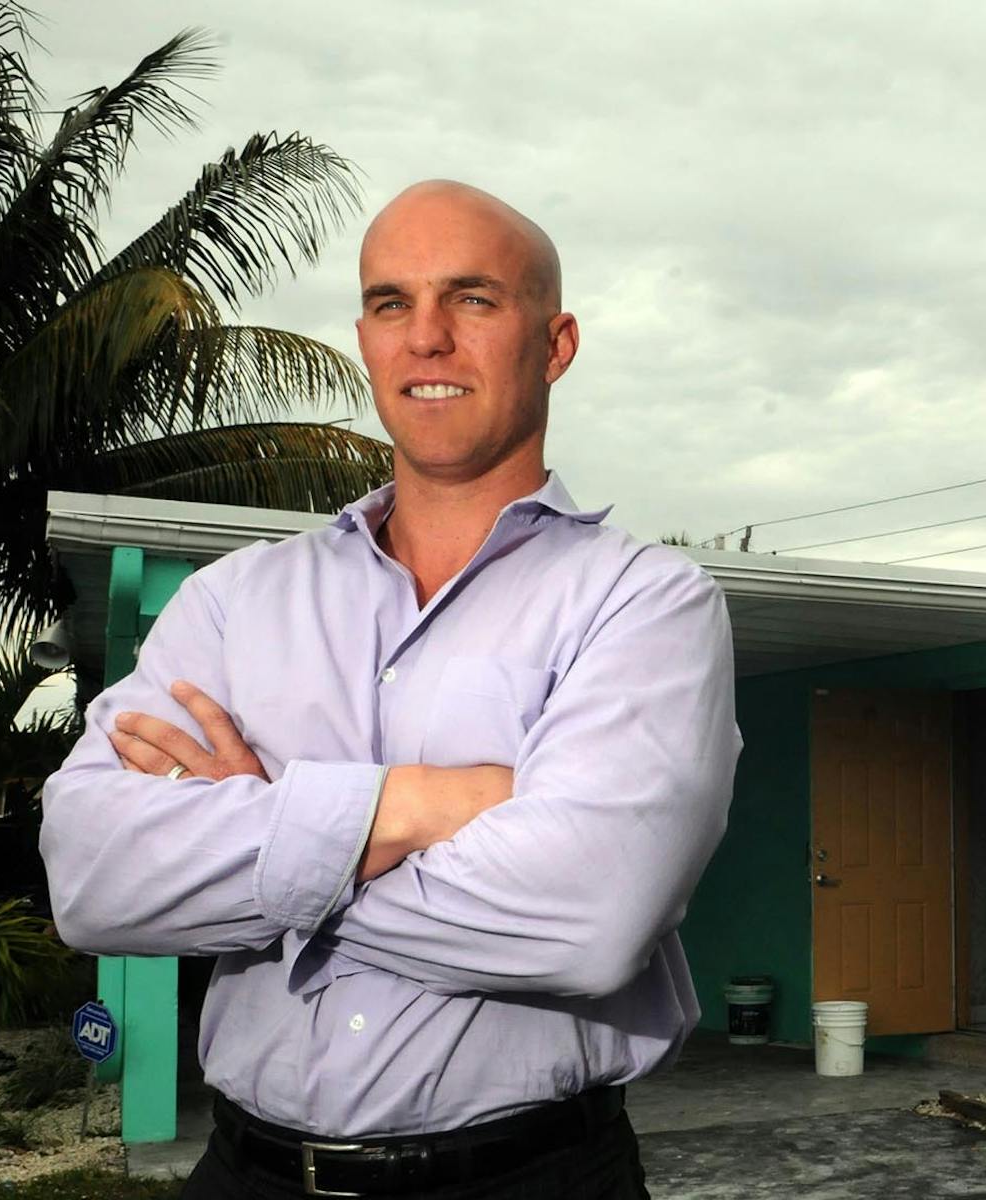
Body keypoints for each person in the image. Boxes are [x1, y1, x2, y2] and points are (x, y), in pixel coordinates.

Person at [39, 180, 741, 1199]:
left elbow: (590, 920)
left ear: (556, 343)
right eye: (389, 303)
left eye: (473, 298)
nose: (426, 338)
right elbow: (93, 878)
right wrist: (422, 804)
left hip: (532, 1178)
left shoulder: (645, 602)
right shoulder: (233, 602)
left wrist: (267, 815)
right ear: (366, 339)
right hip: (247, 1176)